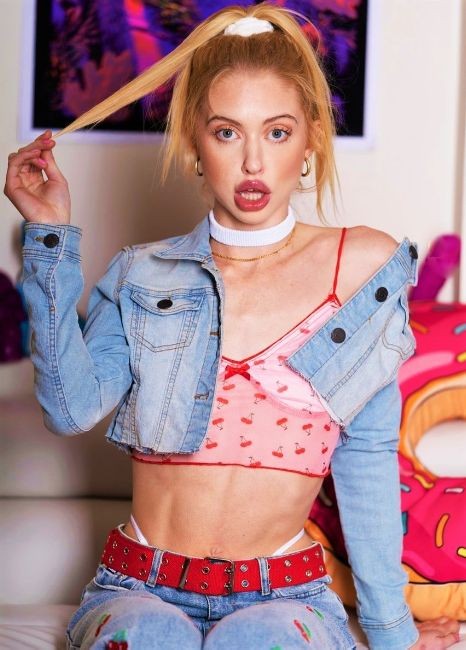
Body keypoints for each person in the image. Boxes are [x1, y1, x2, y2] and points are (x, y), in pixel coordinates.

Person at [4, 3, 461, 649]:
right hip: (138, 585)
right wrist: (49, 237)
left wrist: (392, 634)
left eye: (277, 132)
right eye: (226, 132)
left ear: (311, 139)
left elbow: (366, 457)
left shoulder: (361, 269)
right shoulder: (142, 273)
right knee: (147, 635)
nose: (252, 161)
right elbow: (69, 410)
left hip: (286, 593)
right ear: (195, 142)